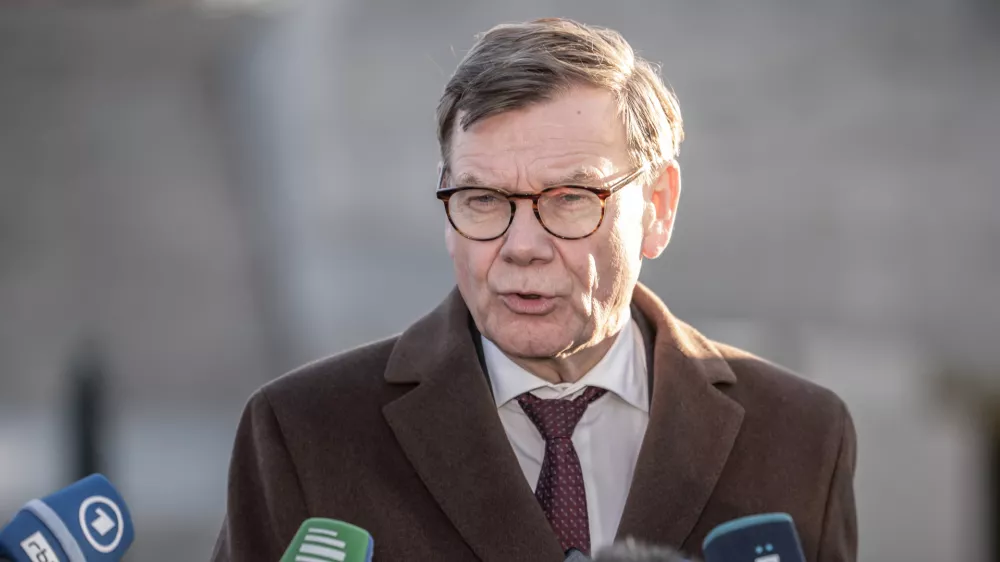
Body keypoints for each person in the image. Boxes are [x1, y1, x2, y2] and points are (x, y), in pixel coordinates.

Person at [212, 17, 857, 562]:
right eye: (484, 198)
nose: (521, 246)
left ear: (657, 206)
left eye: (571, 198)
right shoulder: (303, 433)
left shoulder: (799, 437)